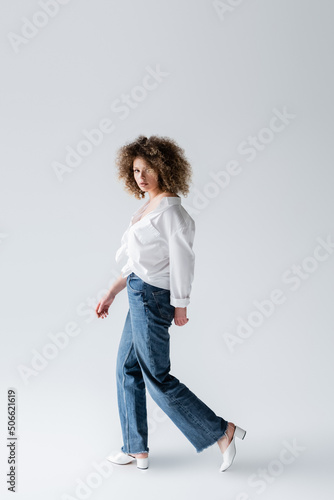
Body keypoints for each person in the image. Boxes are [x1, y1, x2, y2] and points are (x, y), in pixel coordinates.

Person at [95, 135, 246, 471]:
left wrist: (181, 305)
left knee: (157, 377)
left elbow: (182, 263)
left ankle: (223, 431)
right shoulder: (146, 208)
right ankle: (136, 448)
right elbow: (138, 263)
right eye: (136, 170)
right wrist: (113, 291)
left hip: (153, 298)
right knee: (126, 369)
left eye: (148, 169)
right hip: (137, 292)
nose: (141, 176)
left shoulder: (172, 212)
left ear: (164, 168)